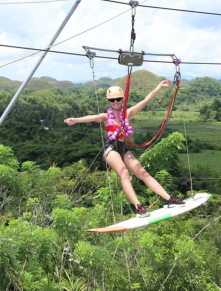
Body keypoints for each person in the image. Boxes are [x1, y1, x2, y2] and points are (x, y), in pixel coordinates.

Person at [64, 79, 185, 217]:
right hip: (110, 148)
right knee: (124, 174)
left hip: (124, 148)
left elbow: (145, 101)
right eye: (112, 100)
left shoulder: (127, 113)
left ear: (122, 99)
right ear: (108, 101)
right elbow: (92, 117)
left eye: (118, 99)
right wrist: (75, 120)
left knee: (143, 173)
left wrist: (158, 87)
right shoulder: (105, 117)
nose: (115, 102)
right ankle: (139, 207)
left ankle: (167, 199)